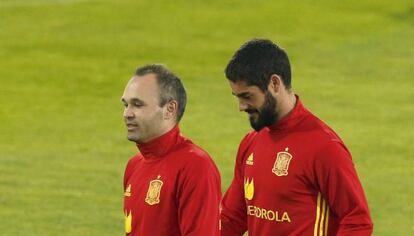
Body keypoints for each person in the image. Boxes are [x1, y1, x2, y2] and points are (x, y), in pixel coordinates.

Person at [220, 39, 373, 235]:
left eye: (247, 96)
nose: (241, 106)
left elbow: (357, 222)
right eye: (237, 97)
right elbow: (232, 217)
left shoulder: (323, 147)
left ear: (274, 84)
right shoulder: (251, 143)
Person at [121, 64, 221, 236]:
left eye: (137, 105)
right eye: (126, 105)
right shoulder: (134, 166)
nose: (127, 114)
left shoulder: (195, 166)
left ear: (170, 109)